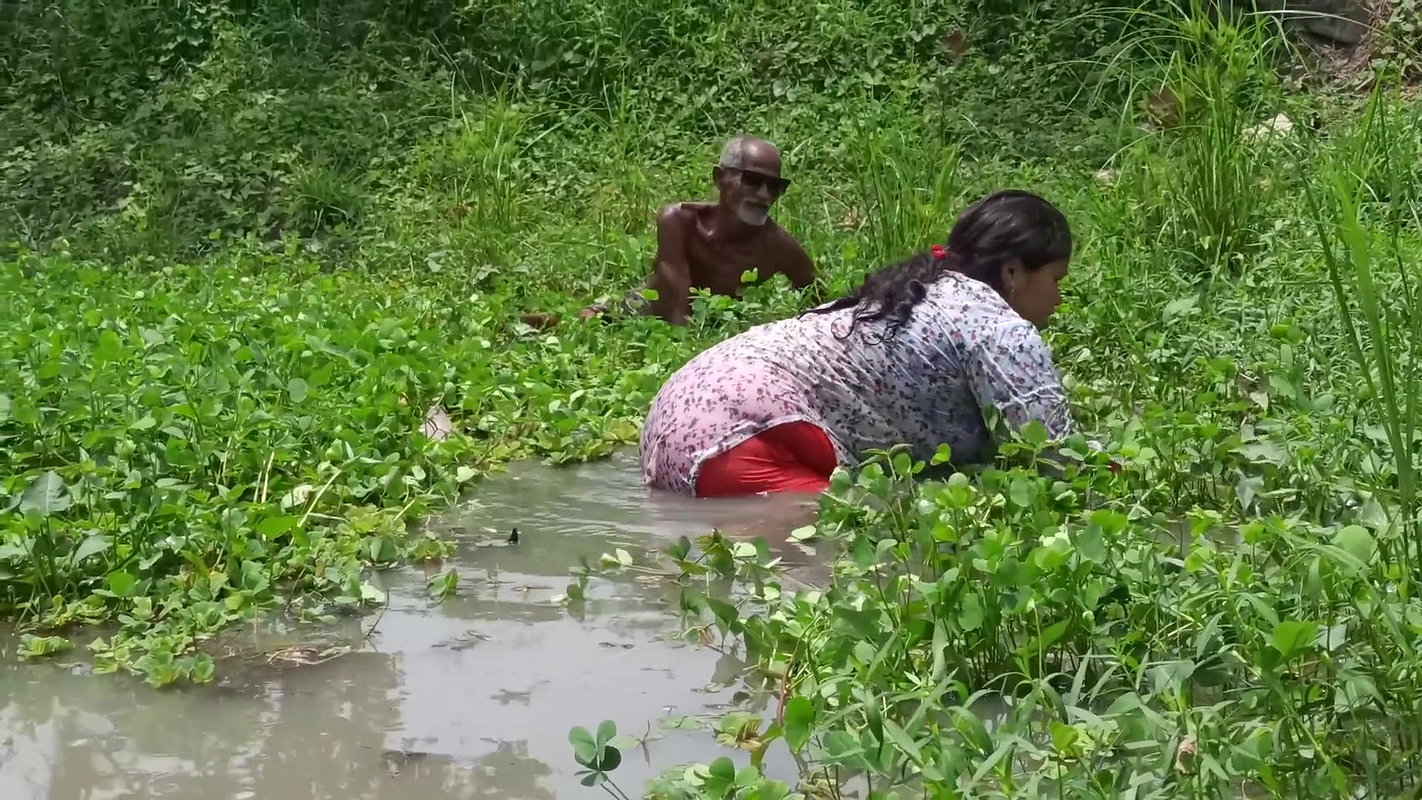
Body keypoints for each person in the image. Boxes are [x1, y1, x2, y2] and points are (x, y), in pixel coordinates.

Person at [639, 189, 1084, 498]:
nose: (1059, 298)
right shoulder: (995, 324)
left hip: (674, 414)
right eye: (1055, 279)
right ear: (1012, 272)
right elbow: (1055, 456)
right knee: (855, 553)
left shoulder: (915, 292)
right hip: (739, 437)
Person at [520, 136, 816, 329]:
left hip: (719, 323)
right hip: (655, 306)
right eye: (752, 181)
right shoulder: (678, 221)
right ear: (719, 178)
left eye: (775, 186)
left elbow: (820, 300)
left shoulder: (777, 244)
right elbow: (676, 288)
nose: (764, 195)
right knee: (593, 324)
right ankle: (560, 322)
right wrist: (681, 348)